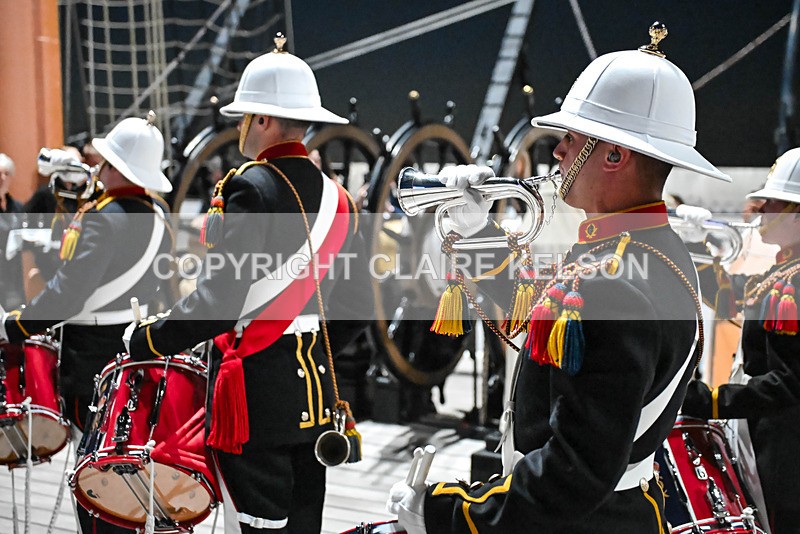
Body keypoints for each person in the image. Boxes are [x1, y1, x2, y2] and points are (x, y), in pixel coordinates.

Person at [387, 22, 730, 533]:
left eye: (571, 139)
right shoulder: (646, 250)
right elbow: (546, 328)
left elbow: (573, 472)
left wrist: (447, 514)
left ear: (613, 155)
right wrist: (476, 232)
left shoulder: (615, 281)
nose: (558, 152)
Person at [126, 34, 372, 533]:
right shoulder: (340, 199)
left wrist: (147, 338)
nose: (239, 126)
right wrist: (310, 345)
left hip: (255, 399)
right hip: (316, 400)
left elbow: (218, 302)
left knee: (256, 526)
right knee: (304, 524)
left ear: (261, 119)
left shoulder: (250, 187)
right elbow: (359, 307)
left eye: (243, 116)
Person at [0, 112, 173, 534]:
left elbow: (68, 293)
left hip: (93, 358)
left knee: (95, 475)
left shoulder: (103, 217)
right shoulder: (158, 214)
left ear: (115, 166)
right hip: (136, 352)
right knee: (127, 464)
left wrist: (14, 326)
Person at [682, 146, 800, 533]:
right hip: (769, 435)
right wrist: (696, 245)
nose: (761, 208)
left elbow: (789, 384)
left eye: (775, 201)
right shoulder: (785, 270)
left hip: (786, 449)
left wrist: (711, 400)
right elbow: (729, 298)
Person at [0, 152, 25, 309]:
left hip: (17, 275)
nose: (2, 178)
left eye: (6, 174)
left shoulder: (18, 207)